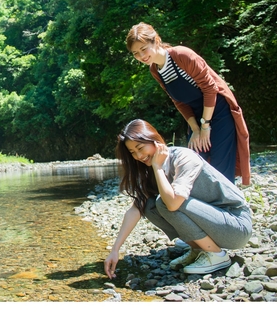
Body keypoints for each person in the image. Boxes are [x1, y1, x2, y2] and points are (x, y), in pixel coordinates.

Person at [104, 119, 252, 279]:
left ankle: (216, 255)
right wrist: (115, 250)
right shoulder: (150, 169)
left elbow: (173, 204)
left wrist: (157, 167)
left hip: (236, 226)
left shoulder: (183, 157)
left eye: (140, 148)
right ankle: (199, 250)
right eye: (133, 153)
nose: (138, 156)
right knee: (149, 205)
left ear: (154, 139)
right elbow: (135, 209)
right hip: (214, 224)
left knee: (165, 202)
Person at [126, 22, 251, 185]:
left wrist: (205, 126)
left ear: (156, 41)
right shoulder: (155, 70)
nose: (142, 56)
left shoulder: (181, 55)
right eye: (136, 53)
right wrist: (195, 129)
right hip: (197, 117)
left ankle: (232, 206)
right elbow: (178, 101)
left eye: (144, 49)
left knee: (221, 167)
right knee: (196, 163)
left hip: (218, 111)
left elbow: (210, 88)